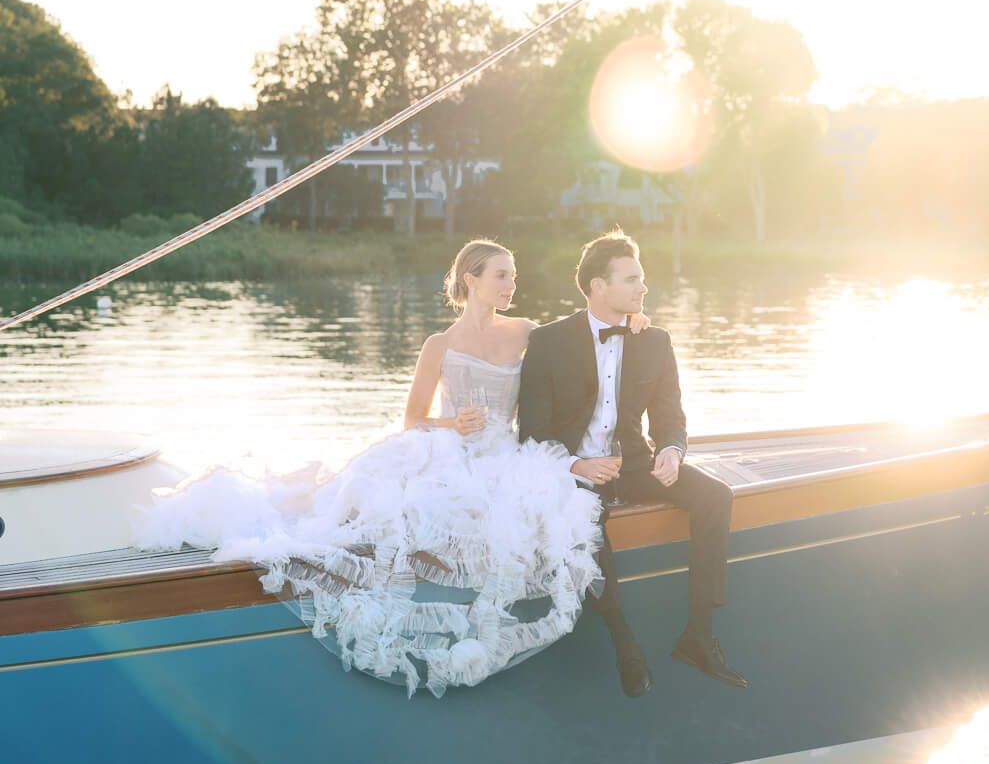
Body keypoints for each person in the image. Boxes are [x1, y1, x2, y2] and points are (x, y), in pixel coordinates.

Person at [135, 239, 608, 697]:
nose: (511, 284)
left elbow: (580, 339)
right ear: (472, 279)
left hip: (505, 455)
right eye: (502, 275)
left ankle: (482, 619)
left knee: (523, 519)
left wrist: (631, 318)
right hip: (450, 450)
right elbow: (413, 419)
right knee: (400, 513)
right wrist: (452, 423)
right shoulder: (438, 345)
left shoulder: (525, 330)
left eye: (513, 276)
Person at [518, 229, 744, 699]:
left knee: (714, 495)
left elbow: (670, 415)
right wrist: (577, 465)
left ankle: (698, 635)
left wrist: (671, 451)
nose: (643, 288)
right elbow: (532, 431)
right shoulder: (547, 341)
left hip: (636, 463)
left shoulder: (655, 340)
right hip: (572, 471)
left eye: (642, 279)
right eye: (632, 279)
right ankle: (625, 644)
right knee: (586, 523)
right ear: (599, 286)